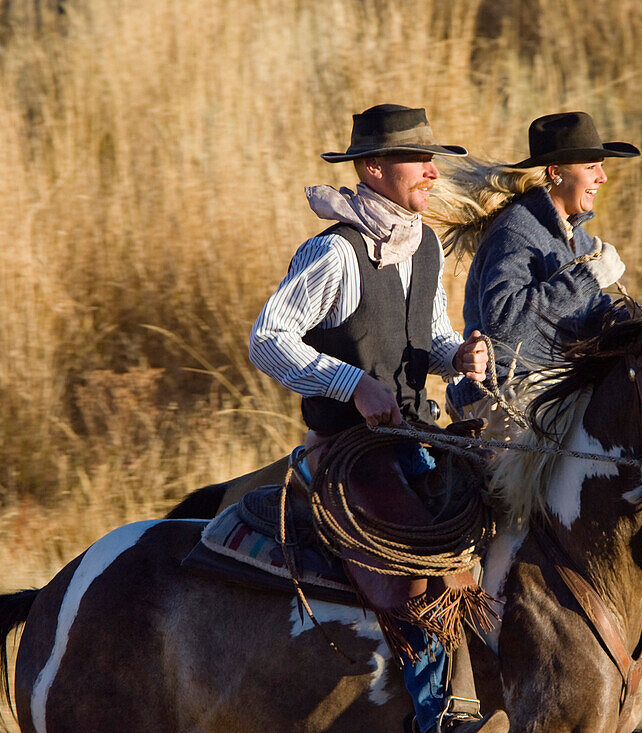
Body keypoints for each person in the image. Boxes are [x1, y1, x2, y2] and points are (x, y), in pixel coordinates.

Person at [249, 104, 506, 733]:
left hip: (418, 436)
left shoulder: (423, 246)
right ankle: (437, 715)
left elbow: (432, 335)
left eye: (431, 159)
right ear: (372, 169)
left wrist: (458, 356)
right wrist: (350, 383)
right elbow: (267, 337)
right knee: (412, 574)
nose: (430, 171)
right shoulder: (333, 253)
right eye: (416, 160)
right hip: (347, 449)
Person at [437, 111, 642, 661]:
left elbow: (588, 317)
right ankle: (486, 623)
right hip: (507, 401)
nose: (603, 177)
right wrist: (586, 277)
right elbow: (506, 321)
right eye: (593, 166)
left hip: (554, 393)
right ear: (556, 172)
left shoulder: (571, 234)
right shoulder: (516, 230)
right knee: (525, 505)